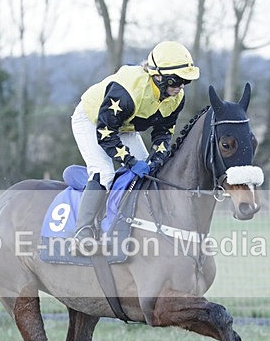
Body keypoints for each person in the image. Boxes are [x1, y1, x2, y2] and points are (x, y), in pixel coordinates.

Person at [70, 41, 200, 249]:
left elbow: (163, 132)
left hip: (124, 126)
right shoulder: (126, 92)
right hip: (92, 120)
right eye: (176, 80)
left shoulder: (176, 98)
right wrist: (130, 162)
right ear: (158, 76)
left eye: (185, 81)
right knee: (104, 172)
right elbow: (105, 134)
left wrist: (157, 158)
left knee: (151, 173)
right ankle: (82, 232)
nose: (181, 87)